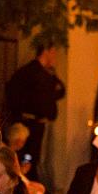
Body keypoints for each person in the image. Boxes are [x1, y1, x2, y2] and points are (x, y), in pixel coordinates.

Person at [4, 44, 65, 179]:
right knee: (26, 155)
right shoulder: (28, 72)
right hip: (27, 124)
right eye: (53, 53)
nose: (55, 57)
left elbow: (60, 91)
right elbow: (13, 94)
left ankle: (28, 176)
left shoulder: (47, 74)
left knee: (33, 156)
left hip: (38, 124)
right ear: (46, 51)